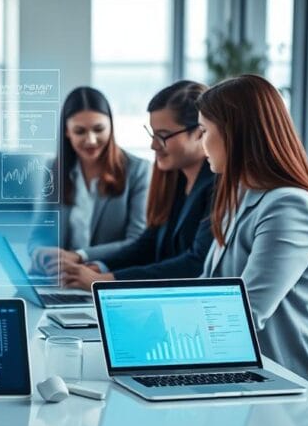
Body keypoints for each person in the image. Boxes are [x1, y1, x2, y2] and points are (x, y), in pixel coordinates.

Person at [47, 74, 308, 426]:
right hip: (234, 392)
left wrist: (136, 324)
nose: (202, 144)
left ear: (236, 133)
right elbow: (205, 291)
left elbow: (244, 317)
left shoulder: (290, 207)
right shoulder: (241, 200)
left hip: (278, 414)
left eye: (205, 130)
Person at [60, 80, 215, 290]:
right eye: (152, 134)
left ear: (199, 132)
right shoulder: (174, 179)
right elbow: (147, 244)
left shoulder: (216, 186)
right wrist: (98, 267)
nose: (153, 145)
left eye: (163, 136)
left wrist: (106, 280)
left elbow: (196, 263)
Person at [28, 86, 151, 278]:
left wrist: (79, 256)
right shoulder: (53, 169)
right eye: (80, 131)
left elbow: (136, 241)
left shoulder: (138, 170)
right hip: (61, 279)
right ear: (67, 132)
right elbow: (38, 235)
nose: (91, 140)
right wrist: (42, 254)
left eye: (99, 129)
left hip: (105, 277)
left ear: (111, 126)